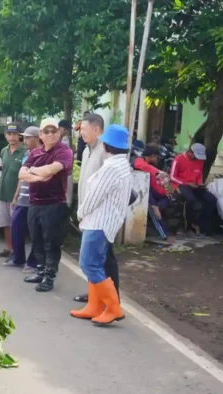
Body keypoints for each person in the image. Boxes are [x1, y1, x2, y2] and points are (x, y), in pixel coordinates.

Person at [70, 124, 132, 325]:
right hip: (106, 221)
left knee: (89, 264)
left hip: (98, 221)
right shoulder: (122, 165)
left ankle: (113, 308)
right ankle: (94, 306)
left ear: (106, 144)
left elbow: (94, 196)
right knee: (95, 263)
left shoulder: (111, 168)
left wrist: (80, 213)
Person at [19, 118, 74, 292]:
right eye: (47, 131)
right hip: (34, 204)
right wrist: (40, 175)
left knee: (52, 243)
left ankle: (49, 277)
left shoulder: (64, 151)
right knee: (36, 240)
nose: (51, 134)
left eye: (54, 131)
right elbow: (22, 174)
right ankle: (40, 271)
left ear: (59, 133)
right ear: (40, 135)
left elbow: (52, 170)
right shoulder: (35, 153)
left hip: (54, 204)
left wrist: (34, 171)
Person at [72, 113, 120, 303]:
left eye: (84, 129)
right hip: (88, 213)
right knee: (97, 259)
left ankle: (111, 299)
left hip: (100, 215)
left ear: (97, 129)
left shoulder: (106, 152)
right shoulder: (86, 150)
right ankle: (97, 295)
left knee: (103, 258)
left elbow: (104, 186)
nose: (81, 133)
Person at [4, 126, 39, 271]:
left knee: (35, 234)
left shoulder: (42, 154)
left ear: (38, 138)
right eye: (24, 137)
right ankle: (18, 258)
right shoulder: (27, 154)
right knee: (16, 229)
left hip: (35, 200)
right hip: (22, 199)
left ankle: (32, 262)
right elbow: (21, 176)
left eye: (28, 138)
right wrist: (16, 196)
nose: (25, 140)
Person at [0, 124, 27, 258]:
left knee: (17, 224)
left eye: (14, 134)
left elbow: (23, 175)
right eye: (9, 134)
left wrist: (16, 195)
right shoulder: (4, 151)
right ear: (5, 135)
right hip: (3, 192)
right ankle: (9, 248)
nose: (12, 137)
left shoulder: (25, 152)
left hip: (17, 194)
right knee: (5, 223)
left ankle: (17, 252)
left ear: (19, 135)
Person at [170, 143, 217, 237]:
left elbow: (199, 174)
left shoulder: (200, 161)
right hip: (180, 184)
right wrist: (186, 183)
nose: (197, 158)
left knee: (212, 200)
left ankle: (204, 226)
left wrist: (200, 183)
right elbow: (172, 177)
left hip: (195, 186)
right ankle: (188, 225)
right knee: (190, 200)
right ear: (190, 152)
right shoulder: (178, 159)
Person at [134, 144, 173, 240]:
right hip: (144, 191)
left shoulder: (154, 164)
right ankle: (164, 234)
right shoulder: (139, 161)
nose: (158, 159)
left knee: (168, 198)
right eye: (157, 157)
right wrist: (158, 172)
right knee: (154, 209)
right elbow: (142, 166)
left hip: (154, 190)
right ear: (152, 156)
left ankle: (158, 208)